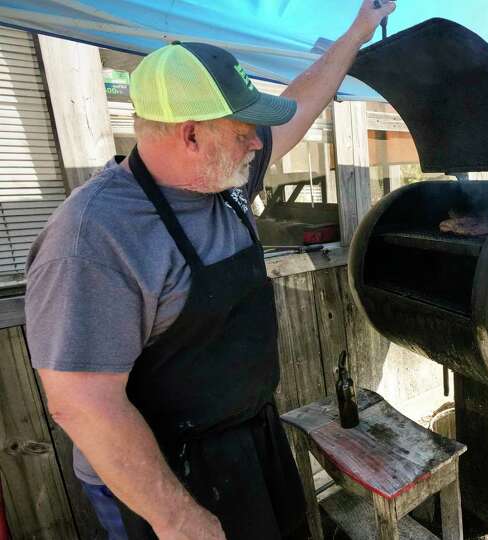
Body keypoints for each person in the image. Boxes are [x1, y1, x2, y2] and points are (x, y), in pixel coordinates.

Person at [24, 1, 396, 539]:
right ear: (190, 135)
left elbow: (299, 105)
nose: (257, 144)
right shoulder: (93, 239)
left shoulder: (223, 177)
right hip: (164, 475)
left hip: (249, 440)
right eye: (244, 129)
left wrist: (359, 27)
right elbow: (82, 403)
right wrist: (178, 520)